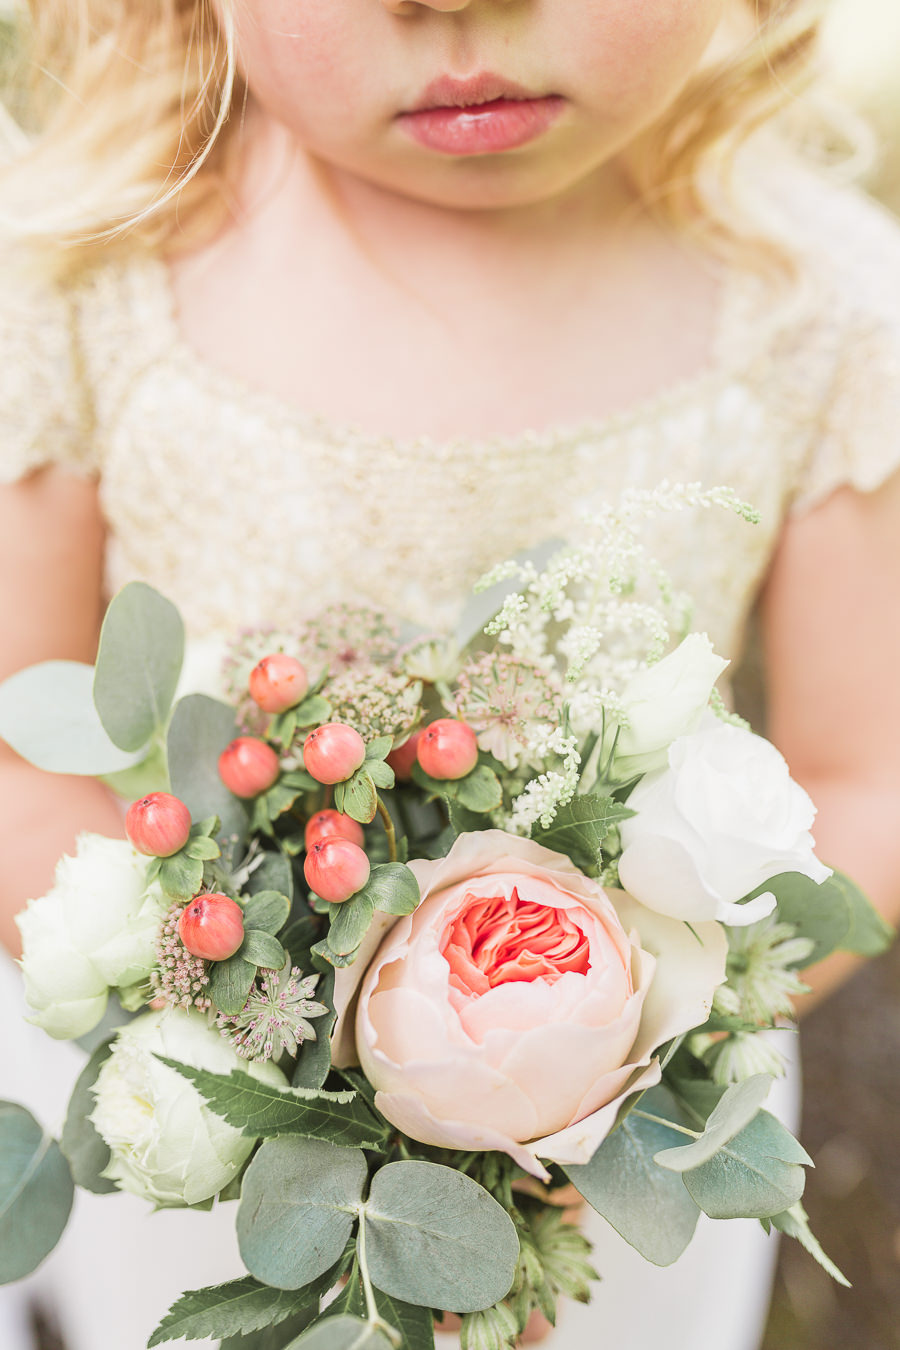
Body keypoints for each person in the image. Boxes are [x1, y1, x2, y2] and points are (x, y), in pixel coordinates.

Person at [1, 1, 900, 1347]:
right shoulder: (88, 270)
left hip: (613, 1151)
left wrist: (578, 1071)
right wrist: (287, 1091)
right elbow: (22, 749)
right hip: (218, 1110)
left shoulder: (821, 304)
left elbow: (866, 777)